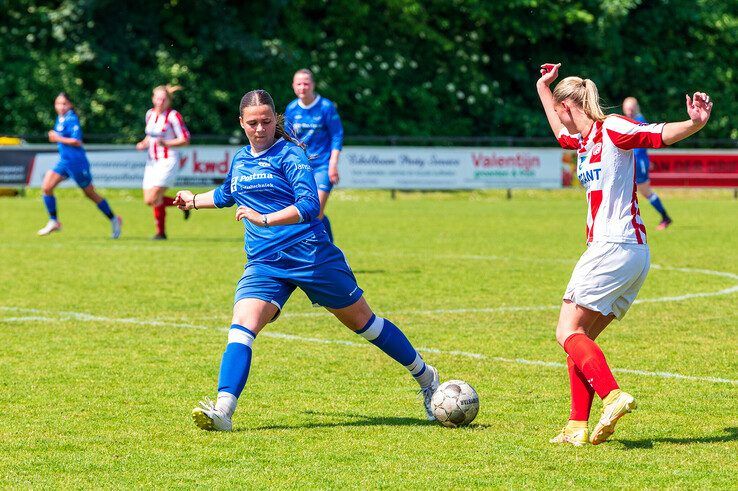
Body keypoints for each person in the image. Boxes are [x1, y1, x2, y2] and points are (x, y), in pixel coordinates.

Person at [174, 89, 439, 431]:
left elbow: (310, 206)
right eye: (252, 123)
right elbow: (227, 194)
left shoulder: (291, 155)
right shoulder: (240, 159)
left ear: (275, 121)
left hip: (309, 254)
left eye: (266, 122)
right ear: (241, 123)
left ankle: (426, 376)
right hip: (264, 263)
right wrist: (193, 200)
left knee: (365, 323)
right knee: (242, 325)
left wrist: (264, 219)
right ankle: (223, 408)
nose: (260, 129)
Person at [536, 63, 712, 446]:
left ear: (570, 104)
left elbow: (655, 135)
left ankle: (612, 395)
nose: (559, 116)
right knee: (581, 340)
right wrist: (542, 88)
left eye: (559, 105)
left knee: (566, 331)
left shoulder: (612, 127)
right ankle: (576, 426)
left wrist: (694, 124)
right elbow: (558, 128)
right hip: (631, 252)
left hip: (612, 246)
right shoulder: (582, 142)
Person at [38, 92, 122, 238]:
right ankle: (54, 221)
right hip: (65, 161)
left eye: (64, 103)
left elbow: (77, 141)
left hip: (77, 162)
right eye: (58, 103)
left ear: (70, 105)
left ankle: (114, 219)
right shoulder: (60, 118)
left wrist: (57, 138)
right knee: (46, 187)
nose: (61, 106)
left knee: (90, 193)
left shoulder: (72, 118)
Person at [284, 69, 343, 242]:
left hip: (323, 165)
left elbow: (337, 135)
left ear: (313, 85)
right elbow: (289, 139)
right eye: (299, 83)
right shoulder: (292, 108)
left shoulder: (325, 107)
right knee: (310, 213)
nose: (303, 87)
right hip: (301, 166)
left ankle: (325, 256)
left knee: (315, 211)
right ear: (293, 86)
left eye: (306, 83)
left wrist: (333, 164)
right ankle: (330, 252)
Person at [135, 85, 191, 240]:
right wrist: (143, 143)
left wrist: (167, 144)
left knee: (154, 197)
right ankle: (182, 205)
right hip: (152, 162)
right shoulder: (150, 114)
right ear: (153, 98)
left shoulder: (173, 116)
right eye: (157, 98)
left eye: (163, 99)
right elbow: (149, 137)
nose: (160, 102)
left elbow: (185, 140)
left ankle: (160, 232)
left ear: (168, 101)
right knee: (149, 200)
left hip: (168, 160)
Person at [622, 97, 672, 229]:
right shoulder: (630, 121)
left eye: (631, 108)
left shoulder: (639, 121)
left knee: (645, 191)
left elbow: (640, 148)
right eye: (627, 108)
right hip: (636, 162)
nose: (629, 111)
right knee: (635, 191)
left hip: (638, 163)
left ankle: (665, 217)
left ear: (636, 108)